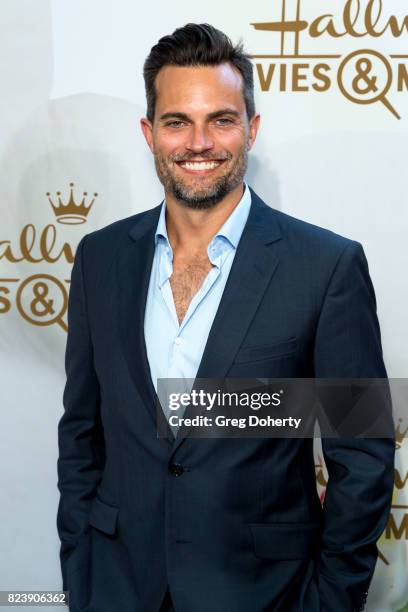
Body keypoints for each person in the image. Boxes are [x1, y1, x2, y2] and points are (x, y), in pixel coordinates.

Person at [57, 23, 395, 612]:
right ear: (149, 132)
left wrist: (331, 600)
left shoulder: (327, 267)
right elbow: (83, 434)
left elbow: (362, 453)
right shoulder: (99, 259)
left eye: (221, 119)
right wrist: (82, 572)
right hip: (118, 587)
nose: (199, 143)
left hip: (266, 595)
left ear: (251, 129)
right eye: (176, 121)